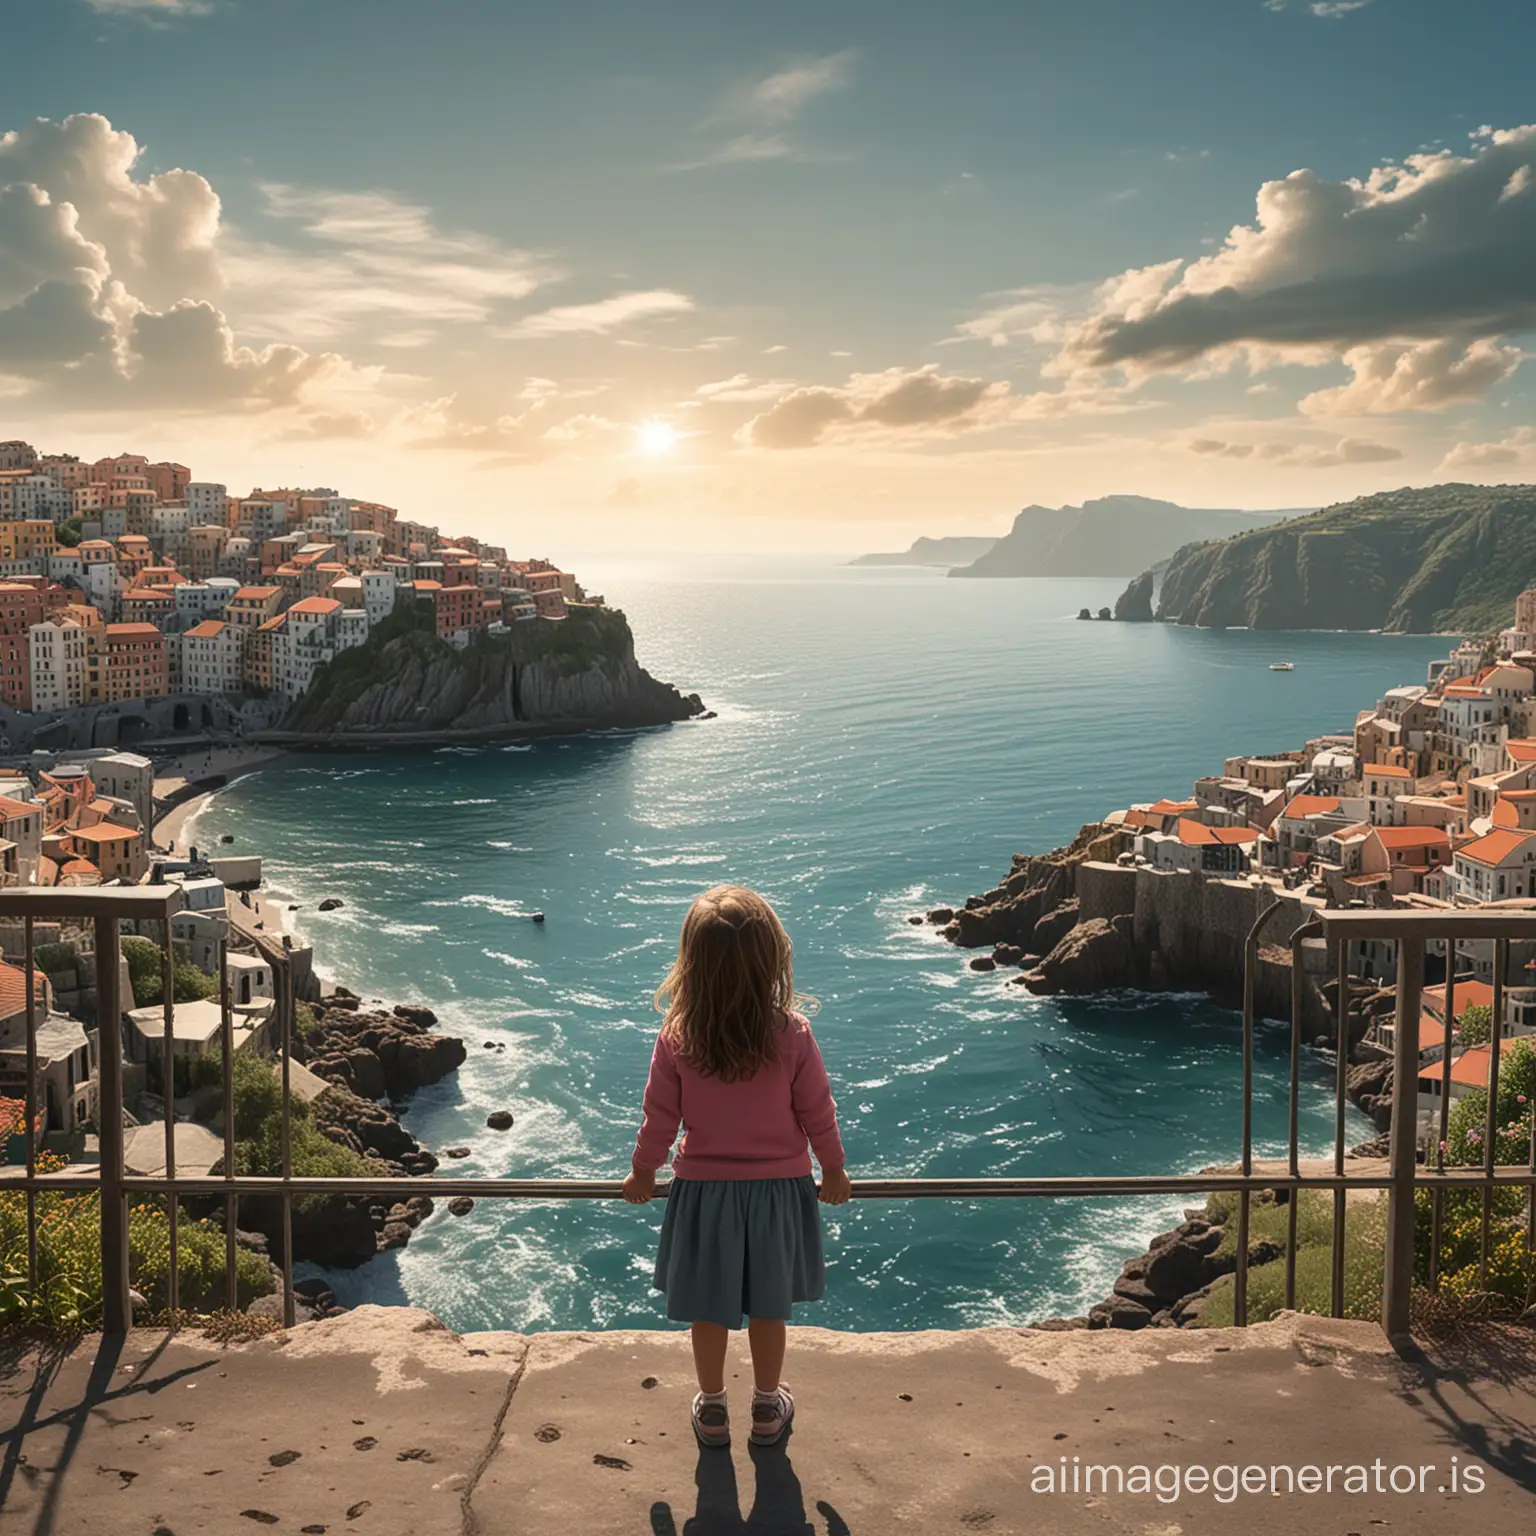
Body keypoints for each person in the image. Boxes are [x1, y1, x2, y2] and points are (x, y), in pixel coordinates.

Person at [624, 885, 850, 1452]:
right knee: (769, 1309)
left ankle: (714, 1409)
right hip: (779, 1191)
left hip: (704, 1192)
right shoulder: (792, 1033)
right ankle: (768, 1408)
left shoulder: (679, 1034)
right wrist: (835, 1171)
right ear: (774, 956)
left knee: (709, 1307)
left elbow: (659, 1117)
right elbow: (817, 1112)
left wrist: (644, 1173)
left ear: (691, 961)